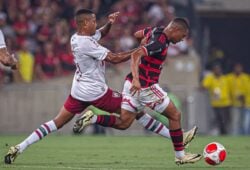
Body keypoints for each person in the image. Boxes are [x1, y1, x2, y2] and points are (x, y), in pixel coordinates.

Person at [4, 9, 197, 165]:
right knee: (132, 115)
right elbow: (114, 58)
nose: (97, 24)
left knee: (56, 122)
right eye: (94, 21)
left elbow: (101, 33)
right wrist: (140, 50)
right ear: (85, 24)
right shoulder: (87, 44)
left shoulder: (76, 37)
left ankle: (19, 148)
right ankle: (176, 141)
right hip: (96, 92)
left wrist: (110, 24)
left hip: (77, 89)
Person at [73, 17, 202, 165]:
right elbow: (135, 55)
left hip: (131, 85)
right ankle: (180, 155)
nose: (182, 40)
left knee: (124, 122)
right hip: (145, 86)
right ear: (176, 30)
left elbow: (137, 34)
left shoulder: (156, 30)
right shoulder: (159, 43)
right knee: (175, 114)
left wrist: (143, 41)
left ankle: (93, 118)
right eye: (183, 36)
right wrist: (136, 78)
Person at [202, 63, 231, 135]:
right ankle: (222, 133)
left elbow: (230, 90)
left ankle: (225, 132)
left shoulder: (225, 78)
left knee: (226, 119)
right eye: (215, 69)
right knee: (219, 119)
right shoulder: (210, 78)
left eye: (218, 69)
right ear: (213, 71)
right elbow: (204, 86)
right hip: (216, 103)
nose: (217, 71)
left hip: (226, 102)